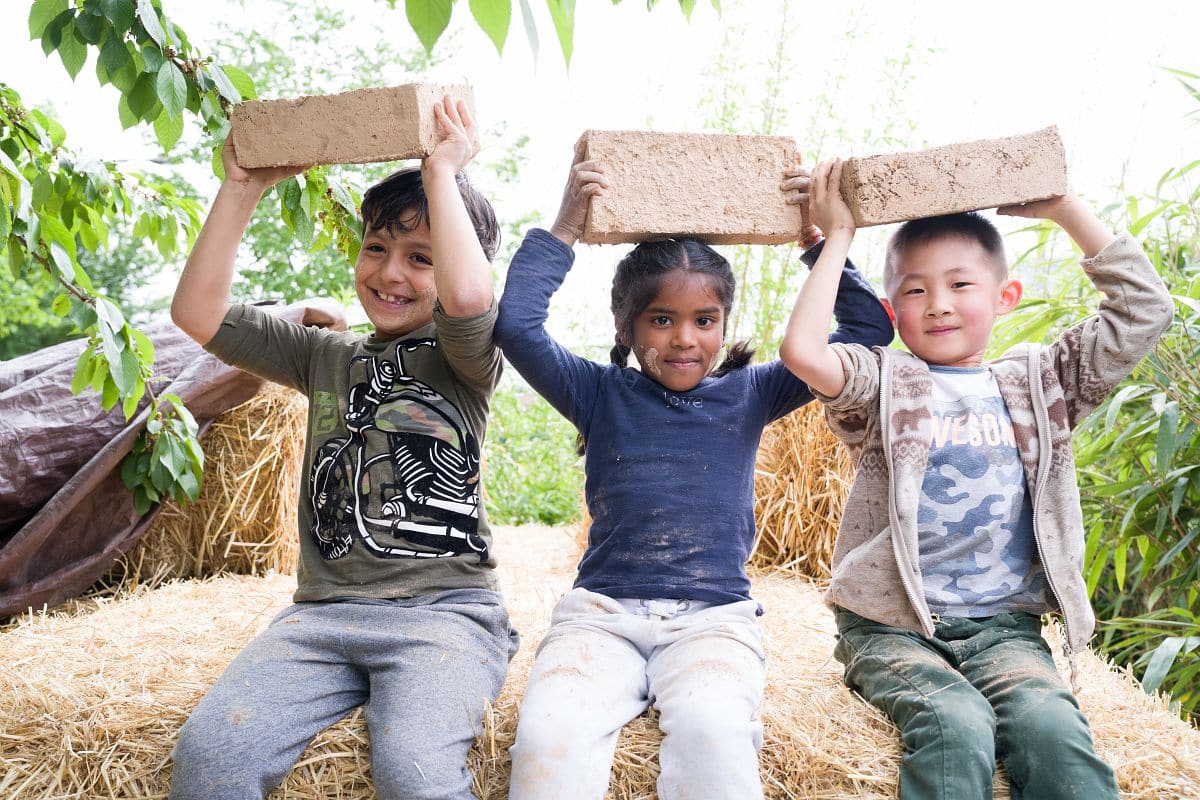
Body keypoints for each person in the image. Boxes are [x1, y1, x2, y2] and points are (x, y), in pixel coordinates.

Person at [493, 143, 894, 800]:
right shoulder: (598, 392)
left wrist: (816, 241)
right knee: (547, 738)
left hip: (714, 620)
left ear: (724, 321)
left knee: (716, 735)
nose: (685, 339)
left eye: (705, 320)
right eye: (662, 319)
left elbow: (866, 333)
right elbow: (516, 325)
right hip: (602, 617)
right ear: (625, 325)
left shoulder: (754, 392)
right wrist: (565, 224)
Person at [779, 159, 1174, 799]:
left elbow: (1145, 311)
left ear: (1004, 297)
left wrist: (1064, 208)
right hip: (891, 627)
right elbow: (804, 352)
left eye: (961, 284)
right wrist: (838, 237)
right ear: (892, 310)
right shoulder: (884, 385)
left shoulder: (1042, 385)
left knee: (1055, 734)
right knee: (955, 723)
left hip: (1003, 631)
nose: (938, 304)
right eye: (914, 290)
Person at [167, 96, 518, 800]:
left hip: (442, 618)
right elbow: (196, 314)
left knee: (414, 769)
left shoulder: (465, 359)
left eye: (420, 258)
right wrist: (242, 188)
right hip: (321, 619)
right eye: (376, 247)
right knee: (209, 757)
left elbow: (472, 297)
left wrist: (442, 172)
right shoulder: (322, 357)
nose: (389, 273)